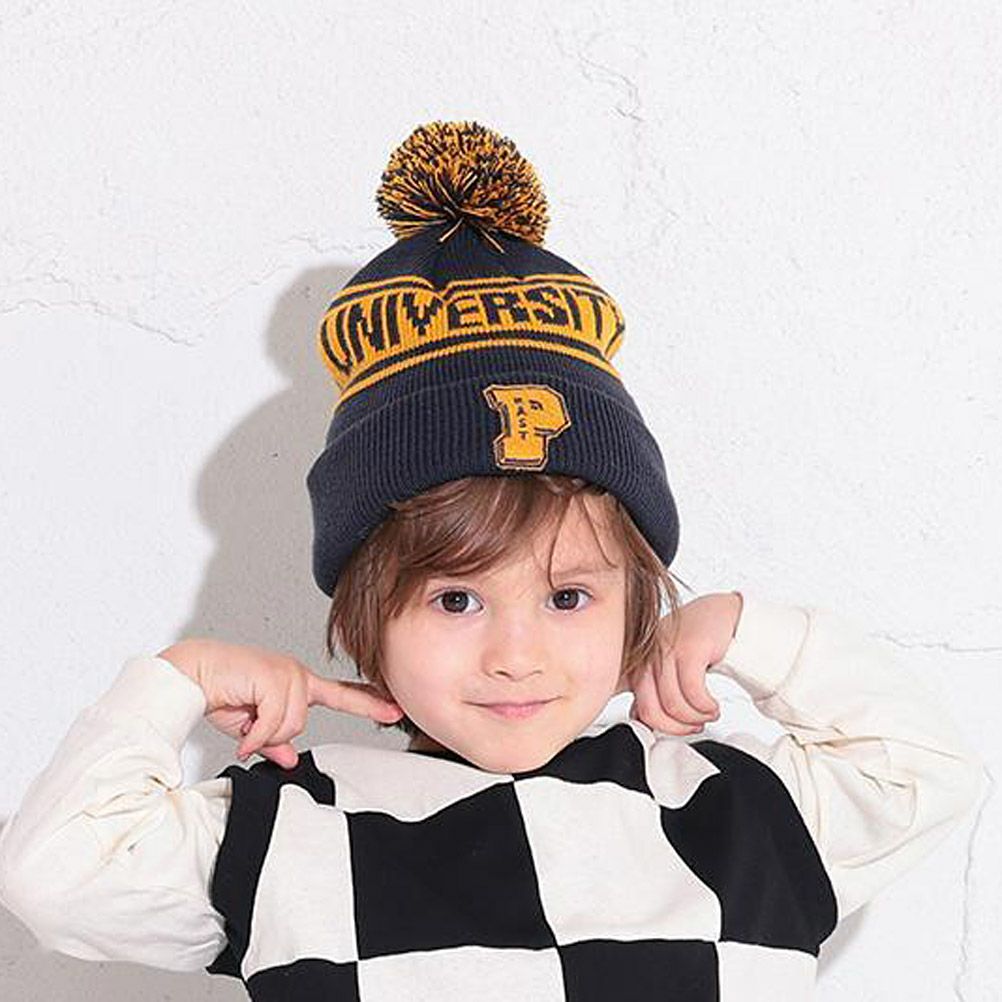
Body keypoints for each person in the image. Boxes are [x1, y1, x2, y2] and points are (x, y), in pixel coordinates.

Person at [0, 121, 987, 1001]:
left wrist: (744, 629)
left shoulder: (732, 809)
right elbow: (54, 877)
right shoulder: (291, 827)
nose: (517, 656)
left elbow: (928, 772)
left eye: (568, 596)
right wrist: (181, 679)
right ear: (367, 618)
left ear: (637, 603)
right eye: (456, 600)